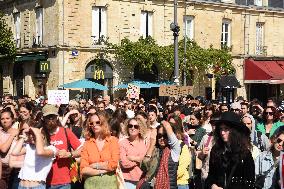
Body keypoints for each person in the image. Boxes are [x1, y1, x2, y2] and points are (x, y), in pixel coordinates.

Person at [206, 112, 255, 189]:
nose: (222, 133)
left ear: (234, 131)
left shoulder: (244, 153)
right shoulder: (216, 150)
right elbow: (211, 176)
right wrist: (212, 186)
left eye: (226, 129)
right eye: (221, 129)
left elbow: (250, 182)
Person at [43, 104, 82, 189]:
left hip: (64, 182)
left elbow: (81, 150)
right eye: (48, 117)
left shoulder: (65, 131)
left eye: (52, 117)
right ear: (43, 118)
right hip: (44, 181)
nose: (50, 119)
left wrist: (69, 154)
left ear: (57, 117)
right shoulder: (40, 134)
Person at [11, 120, 56, 189]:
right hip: (21, 186)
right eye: (30, 134)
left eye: (33, 134)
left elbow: (40, 152)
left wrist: (37, 133)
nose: (31, 136)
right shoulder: (29, 146)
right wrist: (23, 136)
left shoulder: (51, 149)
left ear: (43, 135)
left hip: (37, 186)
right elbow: (15, 152)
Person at [80, 113, 120, 189]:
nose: (94, 125)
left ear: (103, 123)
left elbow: (114, 164)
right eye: (91, 123)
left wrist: (95, 166)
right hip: (91, 185)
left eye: (97, 122)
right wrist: (103, 170)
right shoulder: (87, 144)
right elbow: (83, 169)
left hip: (110, 185)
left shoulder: (113, 140)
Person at [137, 121, 181, 189]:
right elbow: (143, 167)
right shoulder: (154, 149)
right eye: (159, 136)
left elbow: (167, 127)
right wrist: (152, 145)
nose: (162, 138)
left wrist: (160, 123)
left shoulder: (174, 150)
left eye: (165, 135)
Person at [119, 118, 147, 189]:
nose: (132, 128)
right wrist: (139, 160)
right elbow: (124, 163)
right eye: (130, 126)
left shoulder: (144, 144)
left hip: (141, 181)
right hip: (126, 181)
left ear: (140, 129)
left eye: (136, 126)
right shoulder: (122, 143)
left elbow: (145, 162)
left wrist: (131, 158)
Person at [0, 109, 19, 189]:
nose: (5, 121)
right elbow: (3, 149)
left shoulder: (18, 132)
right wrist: (12, 136)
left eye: (7, 118)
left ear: (12, 119)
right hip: (2, 169)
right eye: (2, 119)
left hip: (15, 168)